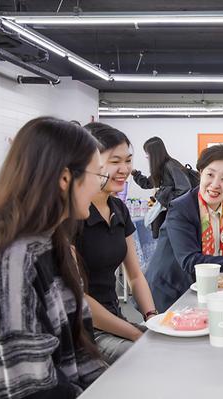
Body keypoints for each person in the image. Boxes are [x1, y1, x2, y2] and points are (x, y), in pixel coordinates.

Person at [0, 117, 105, 398]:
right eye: (97, 175)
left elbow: (80, 352)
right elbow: (30, 386)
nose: (99, 187)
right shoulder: (12, 259)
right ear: (65, 178)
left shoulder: (50, 242)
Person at [146, 144, 223, 312]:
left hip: (206, 288)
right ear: (201, 173)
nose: (215, 184)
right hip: (171, 293)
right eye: (210, 174)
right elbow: (190, 260)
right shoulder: (181, 208)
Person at [74, 122, 158, 365]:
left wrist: (152, 317)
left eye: (128, 160)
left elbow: (135, 275)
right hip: (84, 327)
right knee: (146, 359)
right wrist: (135, 333)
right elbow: (78, 298)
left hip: (114, 317)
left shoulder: (118, 208)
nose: (124, 169)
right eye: (114, 161)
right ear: (90, 163)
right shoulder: (74, 214)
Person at [131, 136, 197, 238]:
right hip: (169, 212)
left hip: (176, 214)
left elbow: (184, 189)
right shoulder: (160, 168)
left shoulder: (171, 165)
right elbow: (147, 184)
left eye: (147, 153)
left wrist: (162, 194)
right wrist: (135, 174)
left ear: (154, 153)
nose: (147, 156)